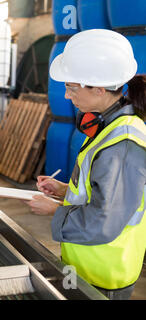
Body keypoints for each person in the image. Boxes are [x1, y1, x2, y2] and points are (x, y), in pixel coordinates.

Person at [26, 29, 145, 300]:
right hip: (88, 262)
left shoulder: (123, 145)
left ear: (100, 89)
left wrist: (55, 210)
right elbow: (100, 191)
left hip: (105, 272)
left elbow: (105, 220)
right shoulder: (108, 126)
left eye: (71, 87)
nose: (67, 96)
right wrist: (64, 189)